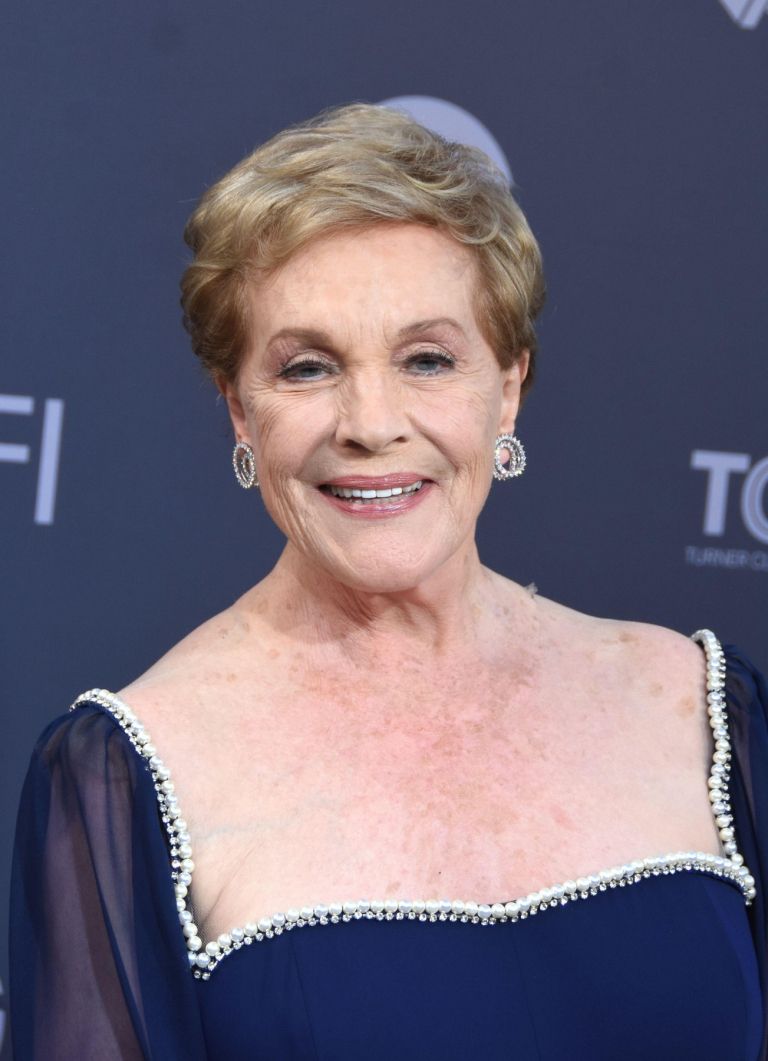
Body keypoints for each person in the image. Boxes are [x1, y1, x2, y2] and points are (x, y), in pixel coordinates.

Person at [10, 103, 768, 1060]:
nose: (371, 423)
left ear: (509, 387)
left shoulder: (699, 707)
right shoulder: (129, 773)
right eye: (308, 368)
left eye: (427, 359)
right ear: (239, 411)